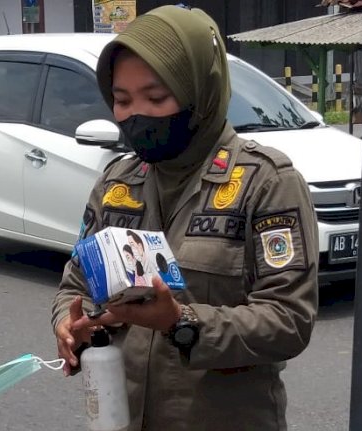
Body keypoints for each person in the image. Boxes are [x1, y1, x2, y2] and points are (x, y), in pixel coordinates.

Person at [52, 6, 318, 431]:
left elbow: (288, 321)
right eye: (122, 100)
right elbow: (74, 284)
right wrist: (69, 325)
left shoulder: (266, 183)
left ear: (201, 93)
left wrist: (181, 322)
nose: (136, 114)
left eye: (156, 98)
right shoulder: (117, 182)